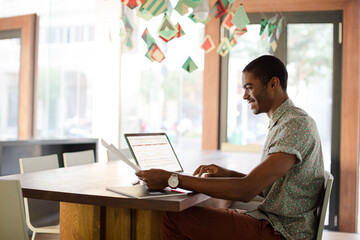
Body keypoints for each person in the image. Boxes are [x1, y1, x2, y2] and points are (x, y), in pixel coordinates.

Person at [136, 55, 325, 240]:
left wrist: (172, 179)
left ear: (273, 84)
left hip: (282, 232)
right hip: (274, 223)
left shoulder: (295, 124)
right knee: (202, 214)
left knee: (175, 219)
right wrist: (229, 174)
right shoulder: (285, 122)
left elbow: (247, 190)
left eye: (249, 87)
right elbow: (270, 188)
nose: (244, 96)